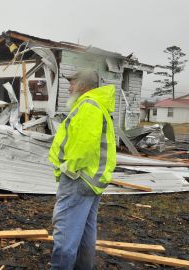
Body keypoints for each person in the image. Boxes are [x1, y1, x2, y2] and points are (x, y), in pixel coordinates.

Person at [48, 70, 117, 269]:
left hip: (77, 179)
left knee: (65, 232)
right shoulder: (96, 104)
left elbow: (84, 145)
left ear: (84, 85)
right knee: (86, 231)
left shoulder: (88, 105)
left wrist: (68, 169)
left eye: (72, 83)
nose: (69, 87)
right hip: (90, 180)